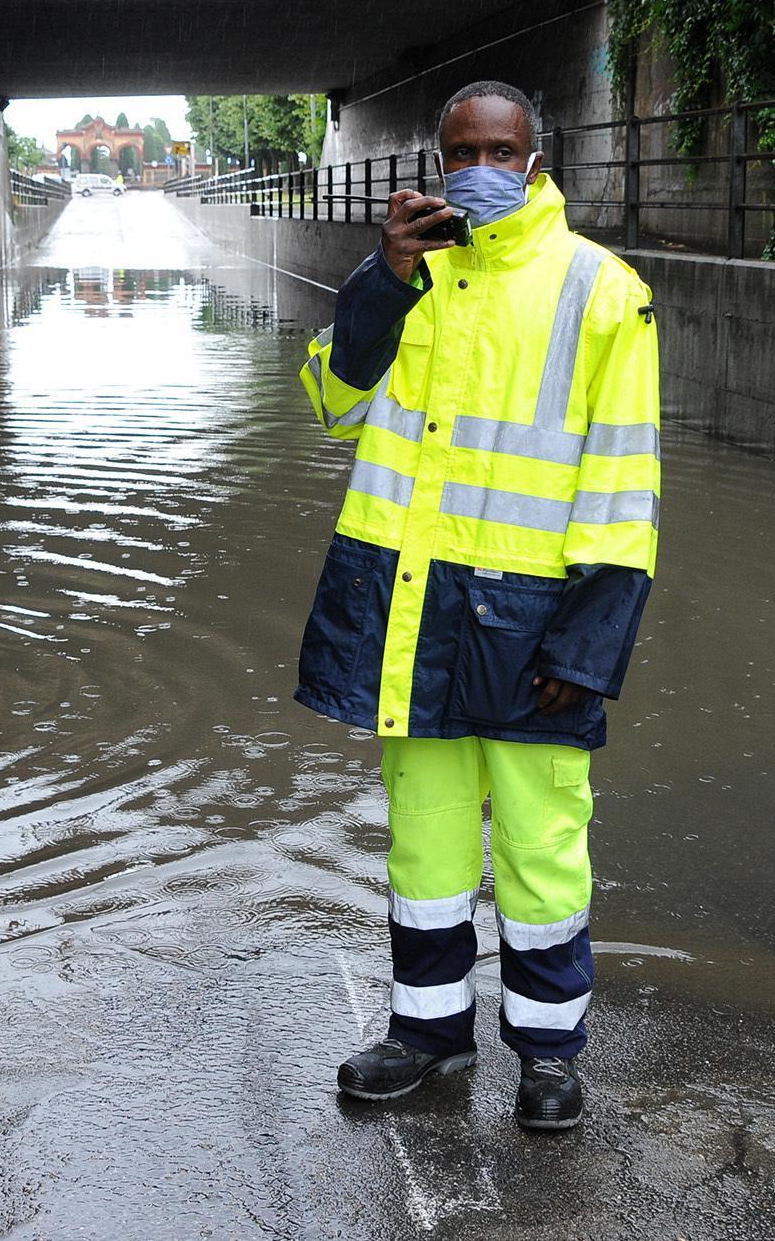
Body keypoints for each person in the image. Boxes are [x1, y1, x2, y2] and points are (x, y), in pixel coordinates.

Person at [296, 81, 660, 1130]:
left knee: (544, 847)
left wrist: (589, 644)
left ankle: (548, 1051)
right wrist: (384, 275)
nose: (480, 169)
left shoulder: (601, 290)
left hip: (536, 624)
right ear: (438, 161)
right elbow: (331, 402)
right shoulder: (409, 279)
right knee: (426, 840)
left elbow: (623, 481)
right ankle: (426, 1029)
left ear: (535, 163)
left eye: (500, 150)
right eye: (462, 152)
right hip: (414, 614)